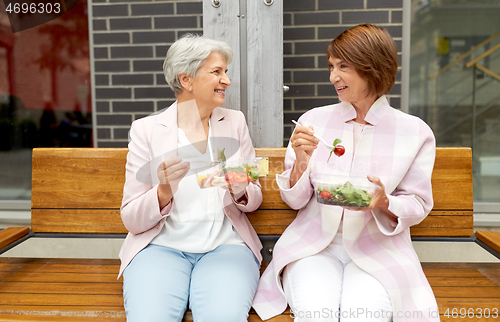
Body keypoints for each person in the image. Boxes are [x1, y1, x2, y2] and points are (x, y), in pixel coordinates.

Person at [252, 24, 439, 322]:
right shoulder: (313, 121)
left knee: (362, 316)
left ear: (373, 67)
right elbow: (296, 201)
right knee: (316, 315)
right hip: (313, 247)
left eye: (343, 66)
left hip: (379, 248)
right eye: (331, 66)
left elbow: (418, 203)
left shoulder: (414, 131)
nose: (333, 76)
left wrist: (383, 202)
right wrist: (301, 160)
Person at [118, 34, 263, 322]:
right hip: (160, 248)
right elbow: (131, 219)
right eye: (217, 72)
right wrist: (163, 192)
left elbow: (254, 199)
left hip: (226, 247)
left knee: (223, 317)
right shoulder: (146, 130)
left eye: (226, 72)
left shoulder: (234, 122)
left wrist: (241, 189)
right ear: (186, 80)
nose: (227, 80)